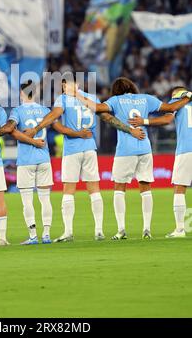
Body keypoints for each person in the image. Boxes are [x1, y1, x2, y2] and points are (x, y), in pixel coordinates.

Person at [21, 77, 145, 242]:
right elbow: (108, 118)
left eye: (65, 85)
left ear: (67, 86)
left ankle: (68, 232)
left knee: (68, 190)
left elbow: (54, 116)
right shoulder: (92, 98)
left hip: (72, 150)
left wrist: (36, 128)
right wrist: (130, 130)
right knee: (94, 188)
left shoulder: (63, 98)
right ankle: (99, 231)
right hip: (90, 148)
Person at [0, 80, 93, 245]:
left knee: (27, 200)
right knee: (45, 198)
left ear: (22, 93)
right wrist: (79, 133)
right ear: (34, 93)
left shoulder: (17, 111)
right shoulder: (45, 110)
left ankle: (32, 236)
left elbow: (9, 129)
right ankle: (46, 235)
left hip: (26, 161)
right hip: (44, 159)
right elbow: (59, 128)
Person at [74, 77, 191, 240]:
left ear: (116, 90)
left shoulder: (116, 100)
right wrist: (188, 97)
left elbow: (97, 108)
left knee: (119, 188)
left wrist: (78, 95)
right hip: (145, 147)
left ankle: (121, 230)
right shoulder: (146, 98)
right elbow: (170, 108)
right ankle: (147, 229)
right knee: (145, 187)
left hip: (125, 150)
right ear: (132, 87)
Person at [129, 86, 192, 238]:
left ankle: (180, 229)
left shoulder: (178, 100)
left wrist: (143, 121)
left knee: (179, 187)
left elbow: (167, 119)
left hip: (187, 149)